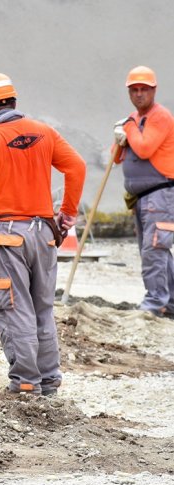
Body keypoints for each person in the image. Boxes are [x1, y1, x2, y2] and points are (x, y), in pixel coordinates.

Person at [0, 72, 86, 396]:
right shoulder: (43, 132)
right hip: (44, 234)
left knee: (14, 309)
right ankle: (48, 381)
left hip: (8, 238)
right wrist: (66, 215)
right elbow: (77, 167)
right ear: (13, 102)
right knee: (42, 309)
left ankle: (25, 383)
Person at [113, 65, 174, 318]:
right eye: (134, 90)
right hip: (142, 198)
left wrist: (128, 129)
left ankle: (154, 303)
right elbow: (117, 158)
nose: (139, 94)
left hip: (160, 195)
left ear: (154, 90)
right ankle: (170, 302)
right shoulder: (133, 119)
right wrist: (119, 139)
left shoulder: (160, 117)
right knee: (154, 249)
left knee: (154, 249)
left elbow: (145, 148)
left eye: (144, 89)